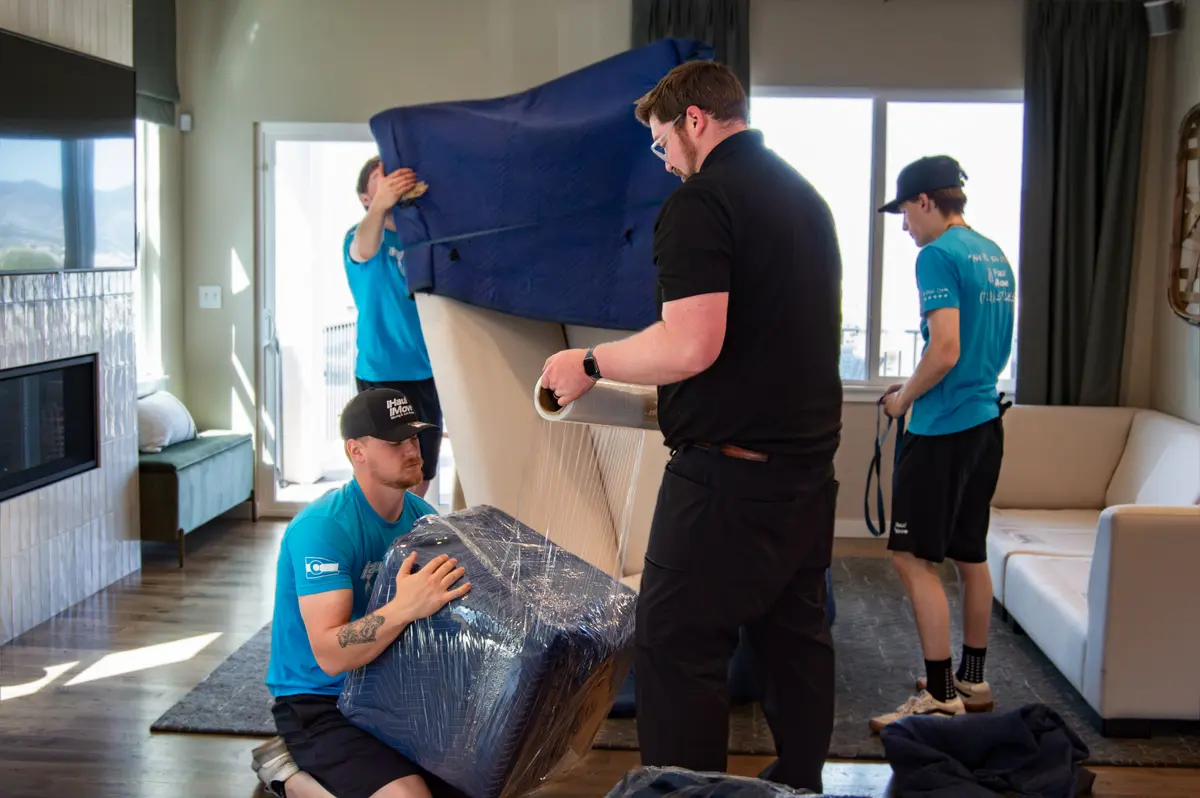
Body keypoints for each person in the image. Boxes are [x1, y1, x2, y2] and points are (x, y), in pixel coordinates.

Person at [540, 60, 843, 793]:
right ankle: (800, 784)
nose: (666, 159)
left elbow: (690, 345)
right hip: (807, 476)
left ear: (695, 121)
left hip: (726, 482)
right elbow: (760, 338)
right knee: (795, 643)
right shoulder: (806, 199)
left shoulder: (702, 201)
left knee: (677, 649)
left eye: (662, 141)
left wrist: (589, 362)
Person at [251, 387, 472, 798]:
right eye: (395, 442)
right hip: (318, 700)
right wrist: (404, 608)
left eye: (414, 437)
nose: (413, 449)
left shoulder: (424, 519)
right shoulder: (323, 528)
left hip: (389, 688)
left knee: (483, 779)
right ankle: (289, 778)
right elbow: (331, 654)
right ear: (356, 451)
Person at [868, 155, 1015, 732]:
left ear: (926, 201)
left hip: (942, 428)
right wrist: (912, 387)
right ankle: (972, 680)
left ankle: (939, 693)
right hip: (985, 420)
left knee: (912, 558)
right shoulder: (992, 253)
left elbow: (946, 347)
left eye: (905, 212)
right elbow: (973, 350)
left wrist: (904, 400)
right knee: (970, 555)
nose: (905, 226)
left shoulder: (936, 255)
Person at [345, 155, 443, 500]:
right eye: (380, 177)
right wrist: (380, 206)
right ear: (365, 197)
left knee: (421, 469)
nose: (390, 179)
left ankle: (406, 534)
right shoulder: (359, 237)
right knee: (385, 471)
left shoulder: (420, 241)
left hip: (426, 371)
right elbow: (363, 248)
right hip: (381, 372)